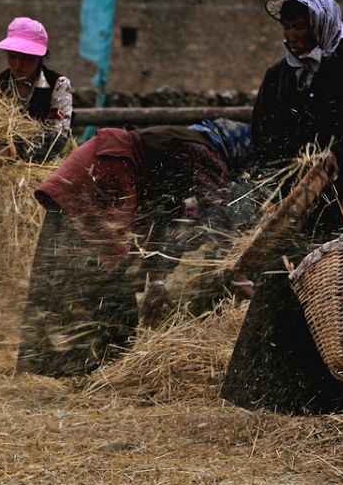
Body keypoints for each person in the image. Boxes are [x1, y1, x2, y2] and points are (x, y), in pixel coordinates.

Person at [219, 0, 343, 448]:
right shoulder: (280, 76)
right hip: (303, 202)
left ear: (319, 22)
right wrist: (283, 190)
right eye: (286, 25)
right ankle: (291, 394)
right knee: (295, 279)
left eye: (299, 24)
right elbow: (269, 139)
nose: (291, 34)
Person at [16, 120, 253, 378]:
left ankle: (79, 366)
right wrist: (237, 272)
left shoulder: (185, 153)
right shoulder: (203, 154)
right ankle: (68, 367)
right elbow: (217, 215)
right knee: (95, 278)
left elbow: (163, 219)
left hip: (100, 175)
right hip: (99, 176)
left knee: (94, 278)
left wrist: (157, 284)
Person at [0, 17, 74, 163]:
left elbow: (58, 137)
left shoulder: (59, 84)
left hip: (49, 163)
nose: (17, 65)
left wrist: (14, 150)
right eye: (12, 57)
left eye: (27, 59)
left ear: (39, 58)